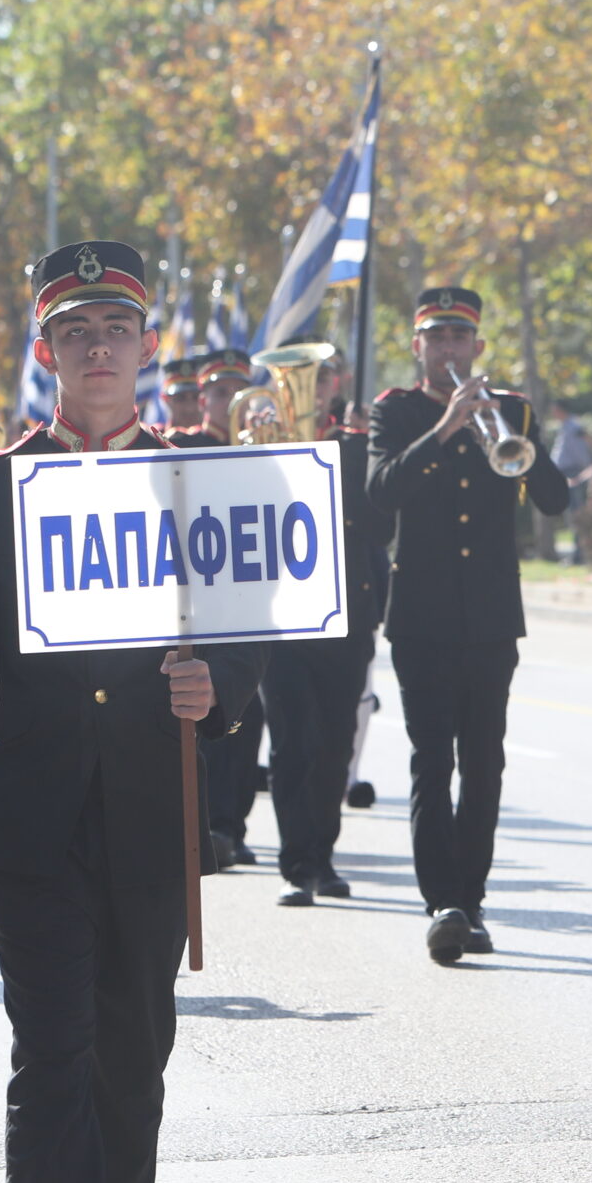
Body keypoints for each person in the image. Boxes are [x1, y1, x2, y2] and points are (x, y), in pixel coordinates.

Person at [0, 239, 267, 1183]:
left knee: (137, 1046)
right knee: (52, 1047)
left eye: (117, 329)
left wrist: (213, 701)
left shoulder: (190, 479)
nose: (100, 348)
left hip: (149, 819)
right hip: (30, 818)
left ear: (146, 345)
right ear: (47, 353)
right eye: (76, 333)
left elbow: (240, 661)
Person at [367, 286, 571, 963]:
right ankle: (442, 902)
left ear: (478, 346)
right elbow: (379, 495)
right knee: (432, 760)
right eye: (436, 337)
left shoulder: (511, 410)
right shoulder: (394, 412)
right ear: (417, 345)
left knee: (484, 764)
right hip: (420, 616)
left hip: (489, 617)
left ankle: (472, 900)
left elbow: (555, 499)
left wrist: (516, 442)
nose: (448, 349)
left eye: (460, 338)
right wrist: (445, 429)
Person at [266, 354, 389, 907]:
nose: (314, 389)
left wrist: (351, 451)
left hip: (345, 616)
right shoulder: (262, 448)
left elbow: (378, 527)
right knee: (294, 744)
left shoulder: (360, 446)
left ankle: (324, 856)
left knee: (336, 745)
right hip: (284, 619)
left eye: (324, 377)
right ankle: (296, 864)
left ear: (336, 385)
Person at [163, 353, 264, 867]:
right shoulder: (185, 447)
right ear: (205, 401)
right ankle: (206, 825)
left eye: (239, 391)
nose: (232, 402)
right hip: (199, 602)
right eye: (221, 393)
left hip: (249, 602)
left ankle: (232, 826)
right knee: (201, 713)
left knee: (248, 715)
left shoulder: (262, 448)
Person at [160, 354, 206, 437]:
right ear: (165, 399)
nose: (189, 408)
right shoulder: (153, 441)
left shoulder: (224, 442)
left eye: (196, 398)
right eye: (180, 398)